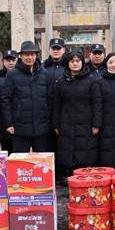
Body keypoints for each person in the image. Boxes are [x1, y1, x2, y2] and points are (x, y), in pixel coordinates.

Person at [52, 51, 102, 176]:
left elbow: (97, 104)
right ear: (68, 63)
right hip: (66, 122)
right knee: (67, 150)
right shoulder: (61, 81)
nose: (75, 64)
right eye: (72, 61)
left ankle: (83, 175)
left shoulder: (91, 81)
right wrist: (55, 124)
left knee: (84, 150)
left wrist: (96, 124)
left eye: (78, 61)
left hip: (86, 122)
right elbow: (56, 104)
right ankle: (68, 175)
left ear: (82, 63)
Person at [1, 41, 50, 153]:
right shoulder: (12, 74)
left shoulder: (44, 73)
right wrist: (8, 123)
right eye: (26, 54)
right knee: (20, 160)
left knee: (41, 160)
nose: (30, 57)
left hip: (41, 127)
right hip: (20, 128)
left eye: (32, 54)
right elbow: (5, 100)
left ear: (36, 55)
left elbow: (49, 99)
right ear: (21, 56)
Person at [44, 38, 66, 179]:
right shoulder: (42, 68)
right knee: (48, 145)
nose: (56, 51)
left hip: (65, 113)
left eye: (59, 48)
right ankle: (50, 175)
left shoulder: (69, 67)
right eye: (54, 48)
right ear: (49, 50)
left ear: (64, 50)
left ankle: (63, 173)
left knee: (63, 145)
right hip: (47, 113)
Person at [0, 49, 18, 153]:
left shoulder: (22, 76)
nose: (11, 63)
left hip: (18, 120)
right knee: (5, 151)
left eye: (13, 60)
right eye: (8, 60)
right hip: (2, 121)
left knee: (18, 152)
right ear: (3, 62)